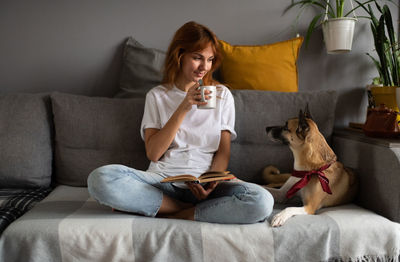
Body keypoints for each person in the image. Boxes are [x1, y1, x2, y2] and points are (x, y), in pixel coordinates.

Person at [87, 21, 274, 224]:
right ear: (179, 55)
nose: (204, 67)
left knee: (262, 201)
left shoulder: (222, 95)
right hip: (162, 182)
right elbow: (154, 153)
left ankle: (172, 212)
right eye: (197, 58)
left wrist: (212, 181)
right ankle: (186, 209)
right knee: (100, 179)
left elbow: (223, 151)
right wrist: (184, 106)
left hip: (206, 184)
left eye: (210, 60)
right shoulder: (157, 96)